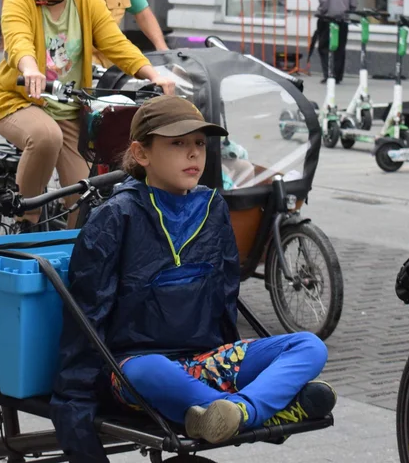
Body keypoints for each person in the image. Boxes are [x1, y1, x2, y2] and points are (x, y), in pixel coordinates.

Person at [51, 95, 336, 462]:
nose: (194, 154)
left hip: (205, 362)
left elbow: (225, 298)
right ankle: (252, 408)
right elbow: (86, 316)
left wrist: (236, 363)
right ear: (141, 153)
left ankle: (239, 412)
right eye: (178, 143)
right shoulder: (115, 215)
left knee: (309, 346)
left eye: (199, 144)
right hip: (134, 368)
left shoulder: (213, 205)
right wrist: (74, 405)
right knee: (149, 369)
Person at [0, 0, 175, 228]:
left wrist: (153, 73)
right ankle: (26, 219)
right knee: (46, 137)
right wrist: (30, 68)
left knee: (85, 198)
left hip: (69, 110)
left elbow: (116, 43)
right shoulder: (18, 0)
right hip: (18, 102)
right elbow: (17, 39)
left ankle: (74, 254)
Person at [316, 0, 355, 84]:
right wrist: (348, 11)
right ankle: (338, 75)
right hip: (343, 20)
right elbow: (354, 2)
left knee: (324, 46)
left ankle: (329, 74)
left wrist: (321, 10)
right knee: (340, 48)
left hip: (328, 19)